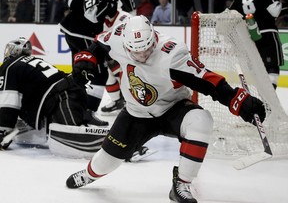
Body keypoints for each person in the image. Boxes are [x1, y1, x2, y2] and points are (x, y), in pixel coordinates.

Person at [65, 15, 266, 203]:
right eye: (136, 51)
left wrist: (237, 100)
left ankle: (182, 183)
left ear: (153, 37)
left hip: (173, 109)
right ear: (126, 44)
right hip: (136, 114)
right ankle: (89, 174)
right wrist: (85, 61)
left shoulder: (172, 53)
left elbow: (206, 81)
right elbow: (97, 46)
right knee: (104, 163)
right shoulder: (118, 36)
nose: (143, 54)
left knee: (201, 120)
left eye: (147, 48)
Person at [0, 37, 108, 152]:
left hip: (62, 97)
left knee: (69, 140)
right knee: (62, 132)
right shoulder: (32, 61)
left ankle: (119, 141)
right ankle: (85, 116)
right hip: (71, 91)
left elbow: (9, 101)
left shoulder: (9, 66)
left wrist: (4, 129)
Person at [59, 0, 134, 124]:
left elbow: (71, 4)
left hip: (69, 30)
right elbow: (92, 17)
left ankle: (71, 108)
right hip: (86, 34)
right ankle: (86, 113)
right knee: (99, 75)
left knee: (79, 71)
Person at [229, 0, 284, 89]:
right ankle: (269, 101)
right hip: (267, 31)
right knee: (272, 68)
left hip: (248, 35)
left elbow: (231, 14)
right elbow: (274, 10)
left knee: (257, 70)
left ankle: (261, 98)